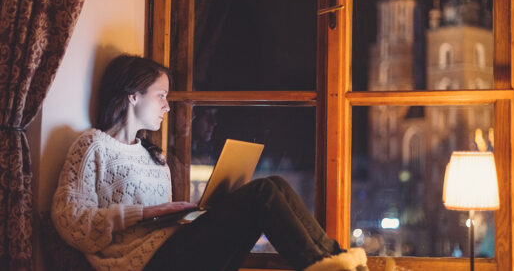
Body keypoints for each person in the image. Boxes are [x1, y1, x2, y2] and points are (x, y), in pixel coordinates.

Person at [51, 54, 368, 271]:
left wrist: (187, 213)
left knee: (276, 185)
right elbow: (71, 223)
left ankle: (337, 259)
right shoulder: (93, 146)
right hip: (140, 264)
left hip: (170, 249)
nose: (167, 107)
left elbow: (158, 226)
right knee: (263, 195)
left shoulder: (154, 158)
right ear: (133, 95)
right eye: (161, 95)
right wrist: (147, 212)